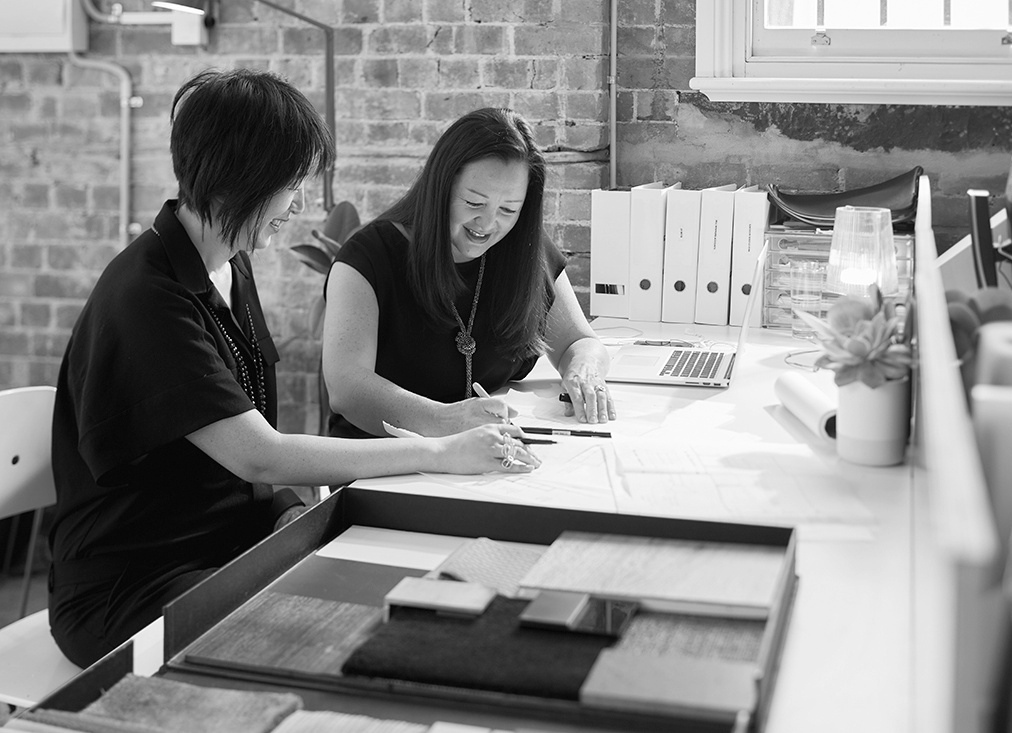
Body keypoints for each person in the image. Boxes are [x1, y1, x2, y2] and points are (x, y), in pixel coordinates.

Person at [48, 70, 539, 669]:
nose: (300, 204)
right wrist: (439, 452)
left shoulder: (228, 266)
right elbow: (261, 453)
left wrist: (285, 510)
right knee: (336, 637)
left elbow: (234, 456)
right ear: (238, 180)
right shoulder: (148, 297)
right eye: (292, 183)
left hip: (226, 548)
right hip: (132, 585)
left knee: (404, 591)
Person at [322, 108, 616, 440]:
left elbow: (579, 342)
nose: (489, 224)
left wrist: (584, 371)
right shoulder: (368, 257)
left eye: (508, 209)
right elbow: (345, 386)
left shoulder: (524, 249)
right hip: (383, 464)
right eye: (474, 203)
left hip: (485, 455)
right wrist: (446, 421)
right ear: (441, 187)